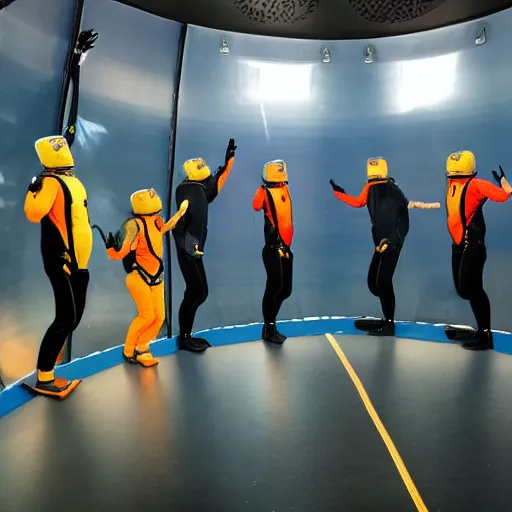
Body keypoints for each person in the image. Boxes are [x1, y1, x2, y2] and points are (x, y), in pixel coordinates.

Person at [330, 157, 440, 336]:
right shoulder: (370, 187)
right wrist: (340, 193)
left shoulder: (392, 188)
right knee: (374, 283)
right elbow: (359, 202)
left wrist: (396, 239)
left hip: (392, 241)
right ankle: (386, 318)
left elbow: (403, 208)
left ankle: (389, 323)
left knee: (382, 281)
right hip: (381, 242)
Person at [23, 136, 92, 398]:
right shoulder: (50, 182)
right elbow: (34, 213)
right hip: (61, 261)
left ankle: (52, 362)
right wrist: (33, 188)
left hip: (79, 262)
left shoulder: (73, 181)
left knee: (73, 318)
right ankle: (45, 376)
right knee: (65, 318)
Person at [97, 190, 188, 366]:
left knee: (159, 316)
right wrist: (111, 248)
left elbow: (167, 226)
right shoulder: (135, 225)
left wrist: (180, 212)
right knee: (146, 315)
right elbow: (119, 254)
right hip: (139, 277)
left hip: (157, 277)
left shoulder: (156, 222)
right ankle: (128, 350)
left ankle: (142, 346)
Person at [172, 139, 237, 352]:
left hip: (194, 250)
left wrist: (228, 162)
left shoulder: (197, 188)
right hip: (188, 249)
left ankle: (186, 336)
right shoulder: (187, 190)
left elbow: (216, 184)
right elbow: (182, 221)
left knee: (200, 292)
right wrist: (189, 245)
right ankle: (184, 338)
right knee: (196, 292)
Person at [444, 150, 511, 350]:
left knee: (471, 288)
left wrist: (503, 180)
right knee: (463, 289)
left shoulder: (476, 184)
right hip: (458, 245)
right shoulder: (452, 185)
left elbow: (504, 195)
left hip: (473, 245)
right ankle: (481, 331)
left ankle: (485, 335)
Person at [252, 160, 293, 344]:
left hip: (286, 248)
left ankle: (271, 324)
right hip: (273, 248)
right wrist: (263, 188)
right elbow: (255, 205)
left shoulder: (284, 188)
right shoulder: (265, 192)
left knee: (285, 290)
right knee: (274, 287)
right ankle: (269, 327)